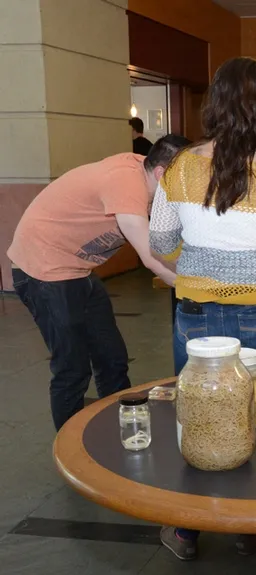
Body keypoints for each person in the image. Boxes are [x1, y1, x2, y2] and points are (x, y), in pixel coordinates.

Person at [149, 57, 256, 560]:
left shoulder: (179, 167)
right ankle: (254, 526)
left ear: (214, 105)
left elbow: (159, 241)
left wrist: (198, 260)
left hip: (195, 309)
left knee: (197, 411)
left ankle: (186, 529)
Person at [9, 135, 190, 431]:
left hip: (77, 270)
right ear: (162, 173)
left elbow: (173, 241)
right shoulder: (126, 185)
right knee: (72, 368)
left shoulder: (148, 180)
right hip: (43, 270)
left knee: (112, 358)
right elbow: (152, 258)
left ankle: (122, 430)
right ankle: (72, 455)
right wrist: (199, 288)